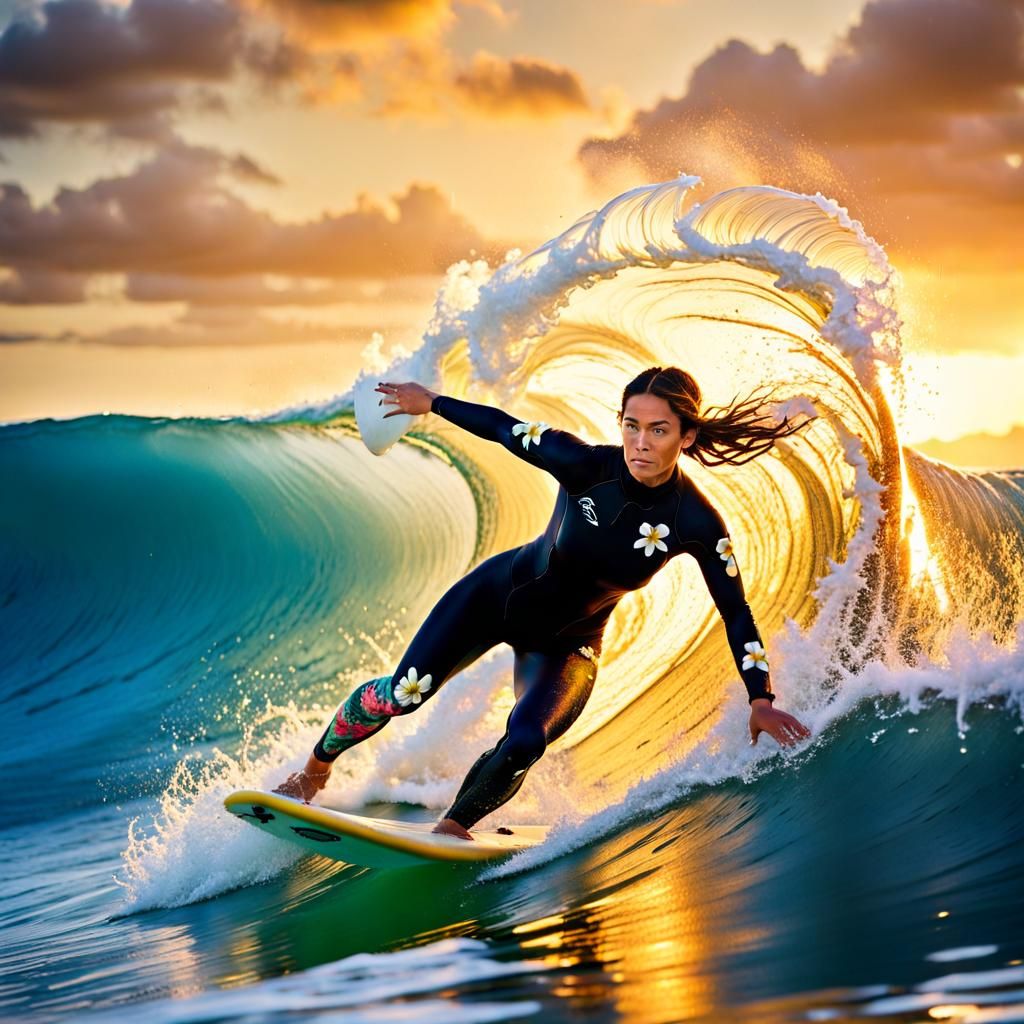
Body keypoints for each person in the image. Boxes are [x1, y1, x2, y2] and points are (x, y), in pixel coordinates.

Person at [275, 366, 812, 839]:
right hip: (497, 598)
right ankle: (314, 771)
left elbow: (736, 610)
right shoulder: (584, 465)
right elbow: (504, 428)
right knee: (404, 692)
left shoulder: (696, 522)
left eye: (658, 430)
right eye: (631, 425)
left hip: (570, 644)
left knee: (527, 740)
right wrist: (431, 402)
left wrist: (760, 698)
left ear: (686, 436)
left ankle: (450, 829)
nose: (640, 442)